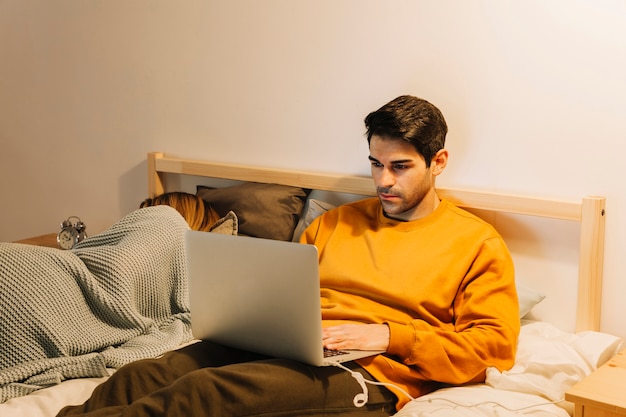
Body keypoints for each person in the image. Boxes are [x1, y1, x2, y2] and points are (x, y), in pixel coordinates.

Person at [57, 95, 519, 416]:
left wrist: (385, 336)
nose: (384, 181)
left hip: (370, 372)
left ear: (438, 162)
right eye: (376, 164)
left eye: (400, 167)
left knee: (204, 393)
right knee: (145, 375)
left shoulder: (476, 243)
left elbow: (494, 350)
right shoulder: (335, 223)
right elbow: (284, 295)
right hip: (294, 345)